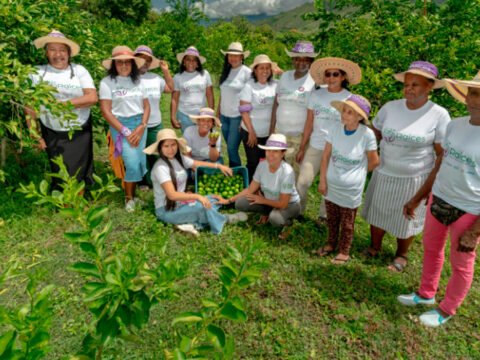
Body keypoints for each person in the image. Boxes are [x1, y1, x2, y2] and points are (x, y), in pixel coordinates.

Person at [397, 72, 480, 327]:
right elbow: (441, 164)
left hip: (468, 209)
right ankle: (425, 294)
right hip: (440, 197)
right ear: (467, 95)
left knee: (461, 263)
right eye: (474, 93)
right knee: (432, 250)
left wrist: (474, 232)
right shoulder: (455, 124)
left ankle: (447, 309)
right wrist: (418, 197)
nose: (476, 99)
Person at [361, 61, 451, 271]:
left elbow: (441, 154)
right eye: (407, 84)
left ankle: (401, 254)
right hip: (384, 171)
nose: (409, 88)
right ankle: (375, 246)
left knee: (406, 218)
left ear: (429, 87)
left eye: (415, 85)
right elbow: (374, 132)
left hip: (414, 177)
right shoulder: (391, 107)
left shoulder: (438, 115)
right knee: (378, 210)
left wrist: (433, 186)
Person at [27, 30, 97, 189]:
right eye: (52, 49)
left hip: (79, 127)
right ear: (46, 52)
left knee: (79, 166)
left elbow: (92, 97)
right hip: (52, 128)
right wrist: (35, 134)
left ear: (69, 53)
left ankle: (75, 201)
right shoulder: (36, 73)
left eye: (62, 50)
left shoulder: (79, 70)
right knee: (59, 167)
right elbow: (29, 107)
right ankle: (66, 200)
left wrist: (62, 105)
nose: (57, 54)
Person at [145, 129, 247, 236]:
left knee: (212, 199)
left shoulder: (178, 158)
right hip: (167, 210)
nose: (170, 149)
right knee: (203, 206)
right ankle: (226, 218)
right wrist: (197, 197)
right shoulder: (160, 167)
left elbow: (196, 163)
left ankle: (191, 225)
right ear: (160, 148)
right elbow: (172, 195)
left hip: (181, 203)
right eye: (166, 146)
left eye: (173, 145)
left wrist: (219, 166)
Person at [296, 57, 361, 222]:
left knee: (330, 185)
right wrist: (302, 147)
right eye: (328, 74)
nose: (331, 78)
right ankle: (298, 212)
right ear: (324, 78)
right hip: (316, 145)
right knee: (303, 182)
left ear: (343, 77)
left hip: (336, 148)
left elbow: (353, 127)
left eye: (335, 74)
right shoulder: (316, 95)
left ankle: (324, 216)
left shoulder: (349, 98)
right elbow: (309, 122)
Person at [316, 95, 379, 264]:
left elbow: (374, 161)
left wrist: (357, 174)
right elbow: (326, 156)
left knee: (347, 223)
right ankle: (330, 243)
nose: (345, 115)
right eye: (344, 110)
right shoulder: (335, 129)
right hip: (331, 185)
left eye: (350, 112)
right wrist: (322, 180)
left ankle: (344, 251)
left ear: (360, 117)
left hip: (351, 189)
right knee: (332, 218)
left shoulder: (367, 134)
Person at [216, 134, 301, 237]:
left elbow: (283, 204)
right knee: (240, 203)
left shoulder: (287, 172)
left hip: (289, 205)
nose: (270, 154)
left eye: (275, 151)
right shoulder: (262, 166)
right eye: (268, 150)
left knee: (275, 218)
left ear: (283, 154)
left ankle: (289, 224)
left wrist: (262, 200)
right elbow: (250, 190)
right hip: (269, 201)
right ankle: (266, 213)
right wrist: (228, 200)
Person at [99, 46, 150, 212]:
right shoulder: (107, 83)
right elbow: (106, 112)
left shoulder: (139, 81)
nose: (124, 66)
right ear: (114, 65)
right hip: (119, 125)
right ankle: (128, 199)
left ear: (133, 64)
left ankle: (133, 197)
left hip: (140, 124)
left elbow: (146, 106)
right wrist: (125, 131)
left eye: (127, 62)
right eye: (119, 62)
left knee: (140, 161)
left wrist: (142, 125)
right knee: (132, 163)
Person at [269, 40, 316, 171]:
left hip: (298, 137)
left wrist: (303, 146)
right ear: (292, 60)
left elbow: (311, 116)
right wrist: (271, 130)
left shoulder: (313, 82)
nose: (301, 63)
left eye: (305, 60)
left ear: (311, 61)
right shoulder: (284, 76)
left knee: (292, 172)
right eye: (297, 59)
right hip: (279, 132)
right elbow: (275, 104)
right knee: (276, 168)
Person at [134, 45, 174, 186]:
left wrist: (166, 72)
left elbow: (170, 89)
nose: (144, 62)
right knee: (140, 155)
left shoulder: (156, 78)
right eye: (141, 59)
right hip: (136, 124)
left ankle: (155, 180)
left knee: (156, 154)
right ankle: (142, 182)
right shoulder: (129, 78)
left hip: (155, 124)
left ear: (151, 63)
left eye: (147, 60)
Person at [239, 54, 278, 181]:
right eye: (261, 68)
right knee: (253, 163)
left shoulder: (275, 85)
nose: (265, 71)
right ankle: (250, 190)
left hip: (268, 133)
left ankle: (263, 188)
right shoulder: (249, 86)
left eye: (268, 68)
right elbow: (244, 111)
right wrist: (251, 132)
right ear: (255, 70)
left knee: (266, 162)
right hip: (251, 132)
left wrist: (272, 132)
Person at [218, 42, 251, 168]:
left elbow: (251, 97)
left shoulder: (247, 72)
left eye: (236, 55)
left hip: (237, 117)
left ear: (242, 57)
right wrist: (218, 112)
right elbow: (223, 93)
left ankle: (236, 173)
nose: (233, 58)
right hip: (224, 116)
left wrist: (244, 119)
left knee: (231, 148)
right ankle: (235, 171)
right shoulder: (226, 71)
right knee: (230, 148)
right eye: (230, 55)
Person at [171, 46, 214, 132]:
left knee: (203, 140)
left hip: (202, 115)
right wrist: (172, 117)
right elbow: (174, 99)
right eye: (188, 59)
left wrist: (211, 115)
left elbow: (210, 96)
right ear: (184, 61)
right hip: (184, 116)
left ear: (198, 63)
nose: (191, 62)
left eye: (194, 60)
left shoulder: (205, 74)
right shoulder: (178, 77)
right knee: (188, 141)